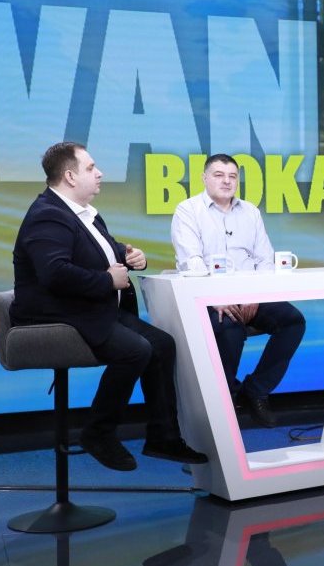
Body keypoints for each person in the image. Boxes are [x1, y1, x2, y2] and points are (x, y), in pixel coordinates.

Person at [11, 142, 208, 471]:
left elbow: (96, 250)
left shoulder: (82, 213)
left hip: (89, 307)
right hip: (58, 313)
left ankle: (163, 437)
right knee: (136, 350)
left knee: (162, 345)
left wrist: (128, 255)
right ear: (70, 176)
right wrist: (106, 280)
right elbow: (54, 273)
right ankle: (98, 433)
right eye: (91, 168)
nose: (99, 173)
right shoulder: (48, 215)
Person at [171, 154, 305, 428]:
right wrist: (217, 298)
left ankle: (255, 390)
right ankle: (225, 401)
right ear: (204, 178)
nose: (227, 181)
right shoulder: (188, 210)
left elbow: (265, 260)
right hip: (208, 299)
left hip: (250, 296)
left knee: (293, 321)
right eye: (219, 175)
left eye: (232, 176)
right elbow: (191, 262)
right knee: (229, 328)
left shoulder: (250, 212)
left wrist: (255, 295)